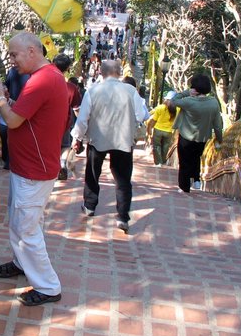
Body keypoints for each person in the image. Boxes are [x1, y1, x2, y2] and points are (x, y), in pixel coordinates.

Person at [0, 32, 69, 307]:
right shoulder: (46, 77)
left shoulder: (42, 80)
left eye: (14, 55)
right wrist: (7, 97)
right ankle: (22, 262)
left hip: (34, 168)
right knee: (25, 222)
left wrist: (0, 99)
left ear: (32, 51)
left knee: (27, 228)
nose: (11, 60)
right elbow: (27, 115)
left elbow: (15, 121)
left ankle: (47, 286)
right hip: (30, 165)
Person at [70, 60, 139, 234]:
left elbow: (83, 117)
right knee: (123, 179)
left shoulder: (94, 91)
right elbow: (142, 114)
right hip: (123, 140)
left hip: (97, 138)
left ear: (101, 72)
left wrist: (76, 138)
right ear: (119, 72)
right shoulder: (131, 91)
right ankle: (123, 216)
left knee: (93, 173)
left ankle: (89, 206)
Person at [168, 74, 223, 193]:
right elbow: (218, 125)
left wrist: (187, 92)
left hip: (186, 136)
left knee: (184, 161)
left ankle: (184, 187)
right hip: (202, 138)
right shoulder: (214, 103)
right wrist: (219, 139)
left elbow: (173, 101)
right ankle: (196, 180)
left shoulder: (189, 101)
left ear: (195, 88)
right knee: (196, 157)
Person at [53, 54, 81, 180]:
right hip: (64, 122)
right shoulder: (71, 88)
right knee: (64, 145)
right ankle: (62, 164)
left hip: (45, 123)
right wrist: (80, 128)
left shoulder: (46, 83)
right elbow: (77, 110)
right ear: (68, 69)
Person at [0, 66, 30, 170]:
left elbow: (6, 86)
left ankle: (8, 161)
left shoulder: (14, 71)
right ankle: (9, 161)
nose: (12, 60)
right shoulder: (18, 71)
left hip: (14, 107)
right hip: (14, 107)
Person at [146, 91, 179, 167]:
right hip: (169, 131)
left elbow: (153, 120)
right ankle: (163, 161)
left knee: (156, 146)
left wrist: (149, 129)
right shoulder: (178, 109)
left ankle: (158, 163)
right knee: (165, 147)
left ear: (167, 99)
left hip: (158, 130)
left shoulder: (160, 107)